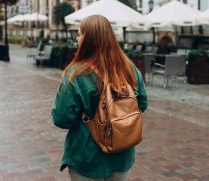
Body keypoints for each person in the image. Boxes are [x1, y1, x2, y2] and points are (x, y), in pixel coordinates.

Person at [51, 15, 148, 181]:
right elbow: (142, 104)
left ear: (88, 39)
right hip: (123, 154)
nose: (77, 38)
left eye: (80, 34)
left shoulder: (76, 73)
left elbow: (62, 118)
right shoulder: (129, 67)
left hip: (87, 156)